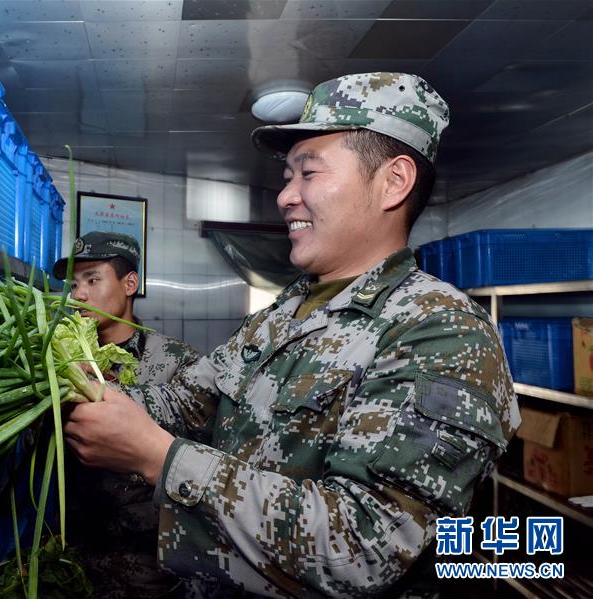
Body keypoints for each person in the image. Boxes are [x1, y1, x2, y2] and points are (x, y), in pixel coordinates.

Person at [64, 73, 521, 597]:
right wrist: (77, 388)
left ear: (393, 182)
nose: (285, 196)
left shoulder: (440, 331)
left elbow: (364, 545)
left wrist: (157, 457)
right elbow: (186, 401)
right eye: (287, 176)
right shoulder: (283, 313)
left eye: (308, 173)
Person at [53, 231, 201, 598]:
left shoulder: (176, 362)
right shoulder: (57, 361)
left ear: (129, 283)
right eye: (73, 284)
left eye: (92, 279)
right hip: (73, 560)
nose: (79, 294)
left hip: (148, 570)